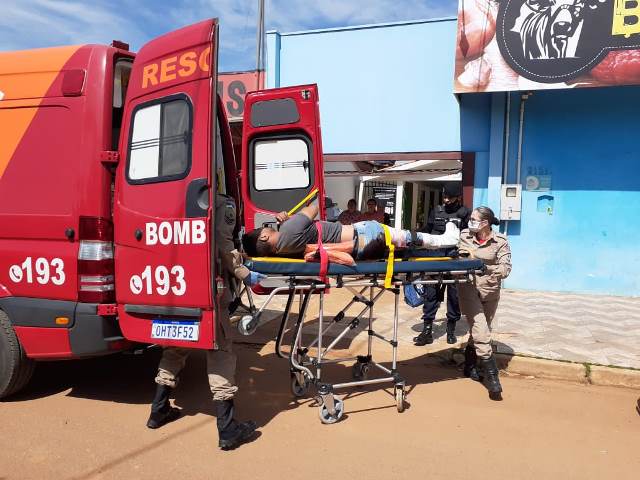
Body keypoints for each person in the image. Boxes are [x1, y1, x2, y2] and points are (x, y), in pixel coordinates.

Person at [146, 194, 266, 450]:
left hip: (176, 285)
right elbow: (223, 245)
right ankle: (227, 429)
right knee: (220, 351)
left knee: (175, 346)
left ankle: (158, 410)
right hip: (207, 289)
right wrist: (245, 273)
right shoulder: (219, 202)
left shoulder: (165, 199)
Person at [241, 203, 459, 260]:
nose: (265, 227)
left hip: (357, 251)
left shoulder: (284, 252)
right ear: (264, 236)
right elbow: (314, 207)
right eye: (262, 229)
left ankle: (441, 247)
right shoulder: (289, 228)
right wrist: (288, 217)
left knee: (405, 248)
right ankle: (446, 241)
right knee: (408, 237)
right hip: (364, 234)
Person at [457, 206, 512, 400]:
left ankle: (469, 365)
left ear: (485, 223)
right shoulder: (465, 235)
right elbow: (461, 257)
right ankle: (493, 378)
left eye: (474, 219)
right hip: (468, 288)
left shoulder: (500, 241)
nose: (470, 222)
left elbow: (505, 268)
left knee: (482, 328)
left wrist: (486, 268)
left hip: (490, 289)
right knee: (481, 330)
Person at [414, 182, 471, 346]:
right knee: (430, 293)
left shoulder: (465, 213)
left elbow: (469, 236)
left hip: (454, 260)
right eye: (445, 197)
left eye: (450, 198)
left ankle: (451, 329)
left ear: (458, 197)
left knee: (454, 295)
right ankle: (427, 330)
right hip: (435, 259)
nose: (446, 200)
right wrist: (415, 237)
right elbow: (428, 229)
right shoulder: (436, 211)